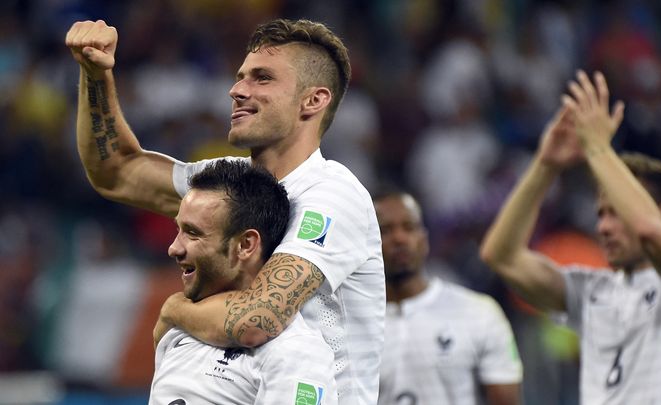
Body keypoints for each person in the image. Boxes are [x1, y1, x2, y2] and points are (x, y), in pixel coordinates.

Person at [65, 18, 384, 404]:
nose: (236, 90)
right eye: (240, 77)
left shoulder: (331, 193)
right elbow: (116, 171)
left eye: (262, 78)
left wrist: (175, 310)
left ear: (313, 100)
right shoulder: (226, 185)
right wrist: (95, 73)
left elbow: (259, 317)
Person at [480, 70, 661, 404]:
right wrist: (545, 165)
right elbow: (500, 256)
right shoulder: (593, 291)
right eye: (600, 214)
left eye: (615, 213)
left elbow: (650, 232)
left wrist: (597, 147)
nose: (603, 227)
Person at [150, 159, 337, 404]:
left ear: (245, 245)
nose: (174, 248)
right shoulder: (179, 327)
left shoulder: (295, 353)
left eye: (193, 233)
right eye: (178, 230)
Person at [374, 190, 522, 405]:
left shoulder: (479, 313)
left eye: (409, 227)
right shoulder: (347, 323)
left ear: (424, 239)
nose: (399, 238)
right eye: (385, 230)